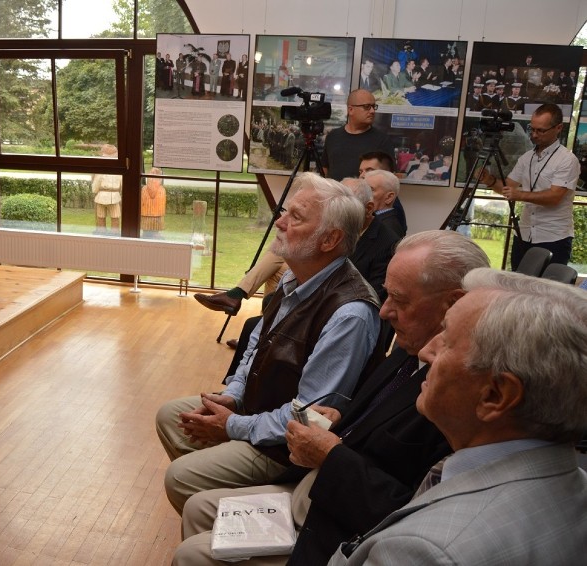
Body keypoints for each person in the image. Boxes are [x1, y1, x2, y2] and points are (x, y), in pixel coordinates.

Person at [172, 231, 490, 566]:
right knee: (198, 508)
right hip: (316, 489)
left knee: (192, 550)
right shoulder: (409, 346)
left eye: (400, 300)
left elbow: (408, 511)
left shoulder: (459, 392)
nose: (383, 311)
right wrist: (340, 421)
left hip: (341, 527)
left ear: (452, 304)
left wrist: (328, 453)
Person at [156, 174, 384, 514]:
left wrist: (231, 426)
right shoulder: (297, 275)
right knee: (169, 416)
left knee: (180, 477)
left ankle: (235, 518)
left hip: (284, 449)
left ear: (330, 239)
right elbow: (255, 346)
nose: (279, 221)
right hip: (259, 410)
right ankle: (228, 509)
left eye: (296, 217)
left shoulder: (349, 313)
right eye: (285, 211)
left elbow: (308, 418)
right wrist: (233, 394)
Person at [327, 269, 587, 566]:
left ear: (495, 396)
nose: (425, 352)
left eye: (447, 340)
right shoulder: (573, 485)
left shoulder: (422, 552)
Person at [193, 151, 395, 317]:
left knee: (281, 266)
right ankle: (263, 325)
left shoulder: (387, 235)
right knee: (281, 260)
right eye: (361, 171)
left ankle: (250, 307)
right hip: (322, 282)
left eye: (296, 216)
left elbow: (372, 292)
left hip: (330, 294)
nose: (279, 222)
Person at [480, 103, 579, 269]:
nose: (534, 134)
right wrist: (489, 180)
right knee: (518, 285)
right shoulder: (527, 158)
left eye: (541, 130)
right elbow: (507, 187)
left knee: (546, 290)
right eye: (532, 129)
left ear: (558, 128)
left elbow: (554, 197)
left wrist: (519, 195)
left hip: (554, 237)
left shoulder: (567, 160)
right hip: (524, 234)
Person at [322, 89, 395, 182]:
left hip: (365, 195)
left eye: (373, 106)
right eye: (367, 106)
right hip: (337, 194)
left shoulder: (382, 140)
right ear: (351, 110)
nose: (372, 111)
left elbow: (388, 178)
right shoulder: (333, 136)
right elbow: (324, 169)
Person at [363, 169, 405, 237]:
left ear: (389, 197)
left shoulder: (388, 227)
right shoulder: (377, 220)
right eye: (363, 189)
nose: (363, 193)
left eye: (370, 189)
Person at [91, 144, 122, 235]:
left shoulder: (101, 170)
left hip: (107, 196)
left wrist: (95, 191)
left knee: (105, 217)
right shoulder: (117, 169)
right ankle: (112, 233)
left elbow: (95, 184)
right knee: (113, 217)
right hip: (112, 196)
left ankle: (105, 232)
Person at [140, 167, 166, 238]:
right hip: (147, 214)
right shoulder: (144, 189)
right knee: (147, 230)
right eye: (152, 173)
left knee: (153, 229)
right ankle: (149, 234)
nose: (153, 176)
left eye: (155, 173)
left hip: (156, 214)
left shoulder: (161, 189)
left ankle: (153, 234)